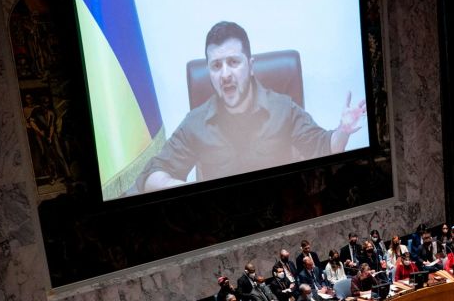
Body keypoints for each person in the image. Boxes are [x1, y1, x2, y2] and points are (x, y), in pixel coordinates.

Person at [136, 21, 365, 193]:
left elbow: (324, 147)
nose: (225, 74)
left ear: (250, 66)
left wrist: (343, 131)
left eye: (233, 62)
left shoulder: (283, 108)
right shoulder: (196, 122)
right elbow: (152, 175)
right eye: (216, 66)